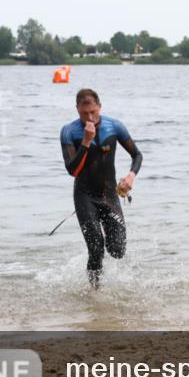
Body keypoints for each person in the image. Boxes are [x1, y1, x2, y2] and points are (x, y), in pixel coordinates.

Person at [60, 88, 143, 289]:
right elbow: (73, 170)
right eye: (84, 113)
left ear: (100, 106)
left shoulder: (114, 126)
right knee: (96, 249)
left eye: (93, 112)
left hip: (109, 195)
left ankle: (102, 274)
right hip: (85, 196)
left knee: (117, 250)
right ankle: (94, 292)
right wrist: (86, 142)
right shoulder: (69, 132)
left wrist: (130, 176)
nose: (90, 117)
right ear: (77, 109)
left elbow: (137, 155)